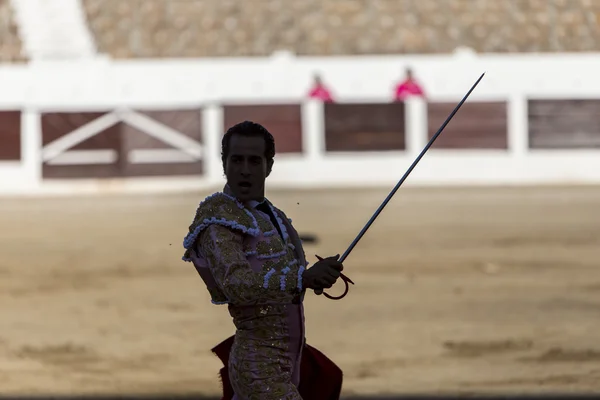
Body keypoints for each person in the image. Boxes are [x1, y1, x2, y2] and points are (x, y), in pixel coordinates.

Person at [182, 121, 345, 399]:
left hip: (289, 361)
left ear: (269, 166)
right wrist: (303, 278)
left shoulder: (273, 215)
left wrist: (318, 275)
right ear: (224, 163)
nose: (245, 169)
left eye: (254, 161)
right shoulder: (218, 221)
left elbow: (282, 279)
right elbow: (237, 285)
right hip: (259, 369)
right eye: (237, 160)